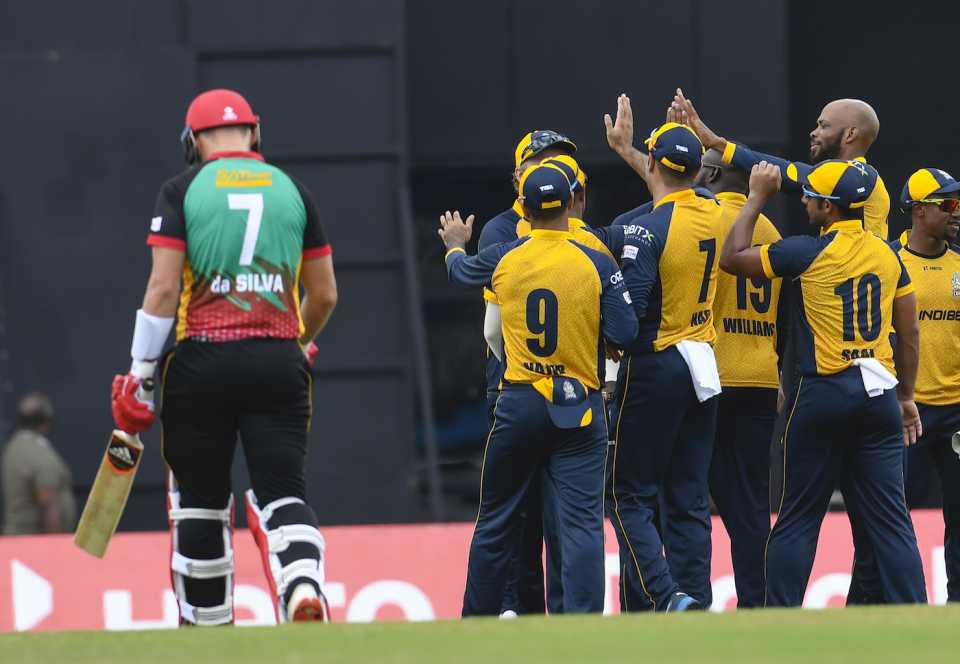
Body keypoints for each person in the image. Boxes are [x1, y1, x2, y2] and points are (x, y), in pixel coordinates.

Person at [109, 89, 338, 625]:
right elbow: (325, 293)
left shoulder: (181, 190)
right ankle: (302, 581)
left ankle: (207, 624)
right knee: (284, 491)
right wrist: (298, 340)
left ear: (193, 142)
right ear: (254, 134)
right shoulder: (294, 191)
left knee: (200, 501)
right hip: (279, 362)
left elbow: (163, 290)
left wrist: (140, 375)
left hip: (201, 365)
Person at [720, 159, 927, 606]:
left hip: (822, 394)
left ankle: (780, 619)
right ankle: (918, 614)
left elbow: (732, 257)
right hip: (879, 396)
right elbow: (909, 334)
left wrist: (756, 198)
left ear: (830, 208)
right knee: (892, 521)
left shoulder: (804, 252)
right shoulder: (889, 254)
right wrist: (907, 396)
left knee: (798, 516)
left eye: (812, 195)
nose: (806, 200)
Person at [440, 164, 638, 615]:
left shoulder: (506, 254)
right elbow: (625, 333)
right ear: (570, 204)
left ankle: (476, 619)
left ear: (523, 210)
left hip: (519, 401)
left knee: (495, 519)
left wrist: (454, 246)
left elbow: (462, 273)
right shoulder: (595, 258)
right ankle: (583, 622)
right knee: (583, 524)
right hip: (579, 405)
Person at [604, 95, 724, 612]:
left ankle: (663, 596)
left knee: (626, 494)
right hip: (704, 363)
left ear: (652, 164)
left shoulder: (646, 229)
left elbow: (627, 324)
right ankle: (694, 597)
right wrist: (633, 151)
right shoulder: (719, 213)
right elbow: (672, 185)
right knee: (689, 496)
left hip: (656, 363)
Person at [477, 130, 577, 617]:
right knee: (520, 515)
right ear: (518, 175)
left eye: (561, 160)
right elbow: (494, 330)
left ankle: (562, 617)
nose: (555, 167)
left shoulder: (574, 227)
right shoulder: (501, 231)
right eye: (543, 160)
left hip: (564, 394)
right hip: (515, 386)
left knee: (563, 515)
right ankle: (519, 613)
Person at [695, 148, 783, 608]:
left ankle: (691, 599)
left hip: (708, 378)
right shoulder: (769, 229)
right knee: (750, 506)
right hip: (761, 379)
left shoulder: (703, 220)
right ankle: (758, 602)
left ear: (708, 174)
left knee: (690, 501)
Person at [672, 90, 890, 240]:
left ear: (850, 134)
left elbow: (791, 172)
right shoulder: (833, 181)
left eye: (824, 126)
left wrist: (718, 144)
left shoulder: (862, 176)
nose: (814, 132)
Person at [894, 168, 960, 602]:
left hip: (956, 410)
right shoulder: (888, 261)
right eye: (948, 204)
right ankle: (901, 604)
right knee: (891, 518)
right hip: (904, 412)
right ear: (919, 211)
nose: (957, 212)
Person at [2, 393, 76, 534]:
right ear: (46, 421)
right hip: (34, 543)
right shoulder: (38, 453)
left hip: (18, 541)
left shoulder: (13, 447)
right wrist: (56, 546)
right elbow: (48, 502)